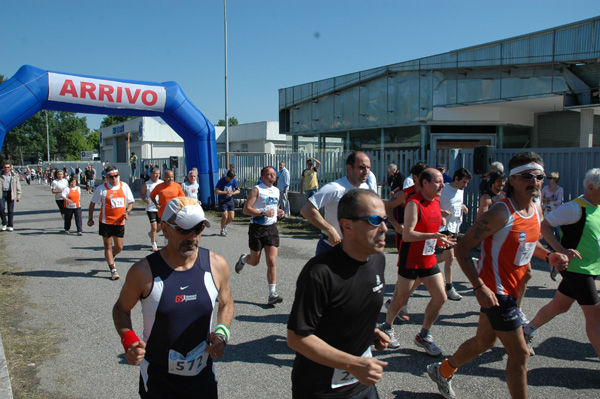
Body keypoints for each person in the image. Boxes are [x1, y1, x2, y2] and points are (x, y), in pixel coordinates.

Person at [427, 152, 569, 399]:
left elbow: (528, 242)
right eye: (527, 176)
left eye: (539, 177)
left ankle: (443, 370)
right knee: (520, 353)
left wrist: (549, 257)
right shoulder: (501, 213)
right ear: (512, 180)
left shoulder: (535, 210)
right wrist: (479, 286)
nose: (534, 181)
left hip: (512, 291)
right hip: (496, 292)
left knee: (484, 342)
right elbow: (462, 248)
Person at [112, 197, 234, 399]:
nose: (193, 237)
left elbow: (227, 302)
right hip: (159, 380)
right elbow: (121, 309)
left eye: (198, 229)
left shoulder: (216, 265)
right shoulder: (143, 272)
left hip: (202, 377)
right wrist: (129, 340)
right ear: (165, 229)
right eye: (185, 230)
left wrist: (222, 335)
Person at [287, 189, 390, 399]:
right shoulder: (320, 273)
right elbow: (297, 337)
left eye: (385, 219)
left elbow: (343, 313)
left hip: (362, 386)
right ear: (347, 225)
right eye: (374, 220)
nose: (384, 228)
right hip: (321, 389)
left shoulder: (377, 260)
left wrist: (367, 332)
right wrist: (352, 364)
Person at [523, 168, 600, 358]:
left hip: (592, 267)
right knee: (595, 317)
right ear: (590, 187)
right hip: (576, 269)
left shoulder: (597, 207)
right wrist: (560, 251)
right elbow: (545, 226)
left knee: (560, 306)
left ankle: (525, 331)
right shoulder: (573, 208)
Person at [379, 168, 455, 355]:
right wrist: (435, 235)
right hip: (411, 258)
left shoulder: (436, 202)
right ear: (424, 183)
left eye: (442, 181)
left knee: (441, 297)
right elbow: (408, 234)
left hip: (428, 258)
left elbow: (430, 226)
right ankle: (387, 327)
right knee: (401, 299)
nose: (443, 184)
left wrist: (439, 239)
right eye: (438, 181)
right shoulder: (413, 203)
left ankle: (423, 335)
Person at [383, 161, 429, 325]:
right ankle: (401, 305)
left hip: (422, 237)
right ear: (416, 177)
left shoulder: (428, 193)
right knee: (409, 273)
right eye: (424, 176)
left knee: (416, 274)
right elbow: (386, 206)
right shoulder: (405, 194)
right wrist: (395, 225)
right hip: (406, 238)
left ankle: (394, 300)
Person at [300, 152, 372, 256]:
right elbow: (307, 210)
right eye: (361, 167)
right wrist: (329, 229)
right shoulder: (335, 188)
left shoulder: (365, 188)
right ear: (349, 168)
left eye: (368, 168)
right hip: (331, 248)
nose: (366, 171)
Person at [234, 166, 286, 305]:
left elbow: (274, 207)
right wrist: (263, 213)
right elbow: (246, 209)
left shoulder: (276, 190)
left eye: (273, 174)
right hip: (257, 229)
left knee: (271, 261)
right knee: (255, 261)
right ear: (262, 177)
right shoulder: (257, 190)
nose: (272, 176)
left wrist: (279, 211)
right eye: (268, 174)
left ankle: (272, 294)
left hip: (271, 229)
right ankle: (244, 259)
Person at [87, 166, 135, 280]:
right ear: (107, 177)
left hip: (119, 222)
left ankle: (111, 256)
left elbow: (131, 202)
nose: (114, 179)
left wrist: (127, 212)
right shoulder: (101, 189)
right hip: (105, 222)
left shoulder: (124, 186)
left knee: (119, 247)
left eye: (116, 176)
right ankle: (113, 269)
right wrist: (90, 218)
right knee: (107, 246)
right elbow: (92, 204)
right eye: (111, 177)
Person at [437, 168, 472, 301]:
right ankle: (450, 287)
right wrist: (440, 212)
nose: (466, 185)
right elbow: (432, 202)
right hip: (444, 226)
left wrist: (462, 206)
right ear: (456, 179)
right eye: (464, 182)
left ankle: (428, 264)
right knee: (450, 257)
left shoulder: (460, 190)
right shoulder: (443, 188)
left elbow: (456, 202)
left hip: (455, 226)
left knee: (447, 257)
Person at [140, 167, 163, 252]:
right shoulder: (147, 184)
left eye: (158, 174)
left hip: (160, 207)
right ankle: (154, 243)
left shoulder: (162, 183)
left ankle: (151, 234)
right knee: (153, 226)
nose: (157, 175)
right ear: (151, 174)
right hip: (151, 208)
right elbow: (142, 194)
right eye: (155, 174)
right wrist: (145, 199)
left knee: (159, 227)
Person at [214, 170, 240, 237]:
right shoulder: (221, 181)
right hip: (222, 200)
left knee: (231, 217)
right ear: (227, 177)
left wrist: (232, 193)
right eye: (230, 178)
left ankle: (225, 225)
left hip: (230, 200)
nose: (232, 180)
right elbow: (216, 191)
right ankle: (222, 230)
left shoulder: (233, 180)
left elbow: (238, 190)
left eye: (232, 178)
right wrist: (226, 192)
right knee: (225, 216)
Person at [0, 162, 21, 232]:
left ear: (10, 168)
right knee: (1, 208)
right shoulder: (0, 175)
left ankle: (10, 225)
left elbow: (18, 186)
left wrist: (18, 196)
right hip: (2, 193)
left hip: (11, 193)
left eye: (8, 167)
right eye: (5, 167)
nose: (6, 168)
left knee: (10, 211)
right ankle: (4, 223)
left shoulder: (14, 176)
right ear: (3, 168)